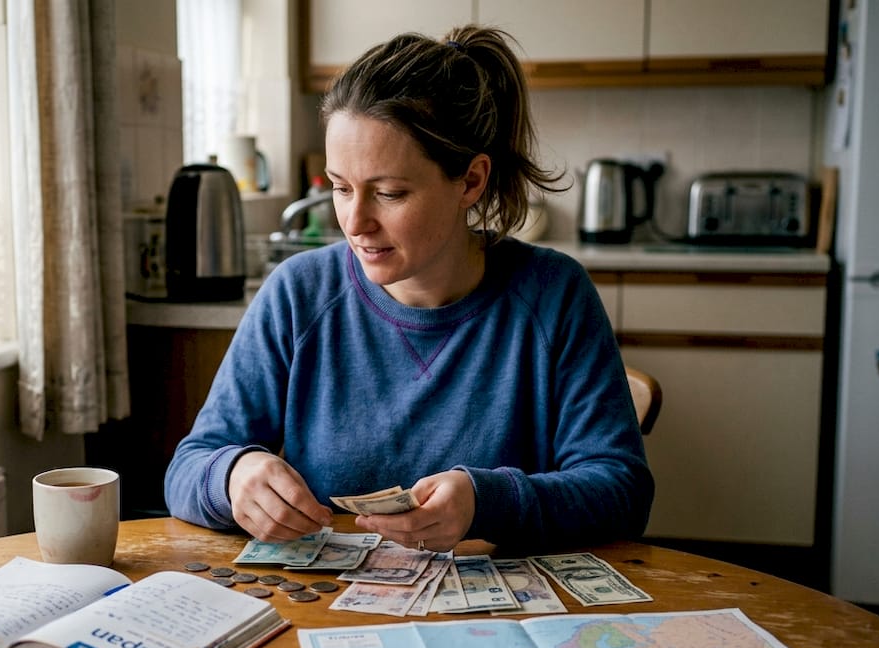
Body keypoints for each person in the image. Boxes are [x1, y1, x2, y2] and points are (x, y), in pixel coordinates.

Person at [164, 25, 653, 554]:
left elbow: (622, 491)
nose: (355, 222)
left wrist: (488, 502)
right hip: (330, 620)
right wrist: (233, 474)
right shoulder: (297, 295)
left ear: (471, 181)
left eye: (390, 193)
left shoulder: (554, 295)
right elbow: (188, 468)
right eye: (341, 187)